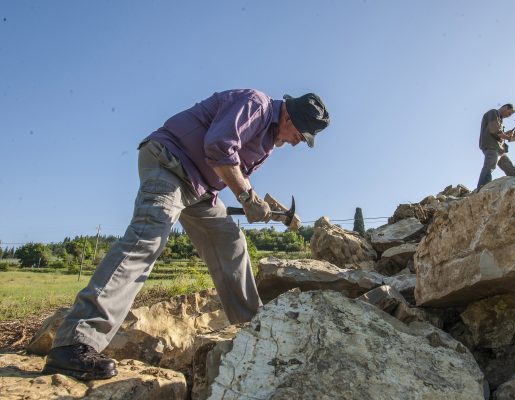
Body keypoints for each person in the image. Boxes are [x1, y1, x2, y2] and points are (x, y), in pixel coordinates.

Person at [42, 89, 330, 380]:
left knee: (231, 242)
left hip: (200, 189)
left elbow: (232, 171)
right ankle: (74, 342)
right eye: (301, 135)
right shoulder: (255, 104)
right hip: (169, 163)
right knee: (148, 238)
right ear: (289, 116)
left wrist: (250, 197)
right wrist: (247, 197)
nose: (297, 143)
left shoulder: (268, 141)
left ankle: (254, 327)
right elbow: (219, 146)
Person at [476, 103, 515, 189]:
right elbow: (495, 130)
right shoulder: (493, 113)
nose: (509, 116)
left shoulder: (500, 119)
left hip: (499, 149)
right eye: (509, 113)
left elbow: (498, 134)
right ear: (505, 107)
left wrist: (507, 134)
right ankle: (482, 188)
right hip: (491, 146)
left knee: (513, 171)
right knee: (489, 166)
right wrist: (510, 138)